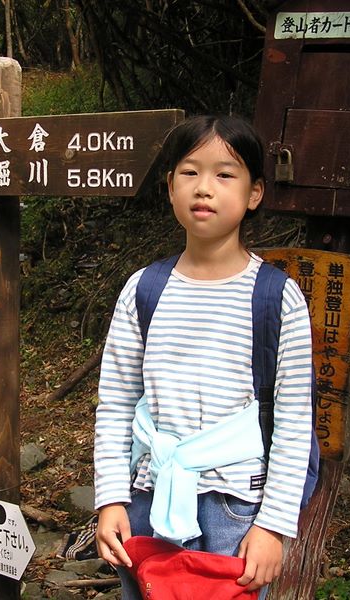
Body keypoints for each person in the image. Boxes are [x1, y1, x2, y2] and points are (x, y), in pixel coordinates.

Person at [93, 114, 313, 599]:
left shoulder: (277, 298)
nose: (204, 188)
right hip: (150, 498)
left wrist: (273, 526)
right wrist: (111, 499)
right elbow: (116, 403)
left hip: (235, 508)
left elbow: (295, 421)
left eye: (225, 174)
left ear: (254, 193)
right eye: (190, 172)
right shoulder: (144, 289)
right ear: (170, 186)